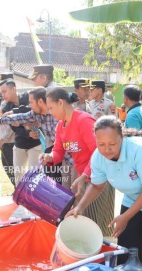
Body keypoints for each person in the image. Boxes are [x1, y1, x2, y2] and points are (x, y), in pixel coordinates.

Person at [66, 116, 142, 271]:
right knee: (127, 249)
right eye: (101, 144)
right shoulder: (98, 157)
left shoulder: (141, 150)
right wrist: (80, 207)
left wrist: (125, 217)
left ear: (122, 137)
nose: (106, 149)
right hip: (132, 198)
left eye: (112, 144)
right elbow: (97, 186)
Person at [39, 87, 115, 236]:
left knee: (97, 223)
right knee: (84, 220)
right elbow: (58, 151)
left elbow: (99, 151)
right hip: (83, 178)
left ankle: (103, 255)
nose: (50, 112)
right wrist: (49, 157)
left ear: (61, 102)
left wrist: (85, 175)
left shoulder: (83, 121)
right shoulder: (61, 125)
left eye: (51, 108)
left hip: (98, 177)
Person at [0, 86, 60, 184]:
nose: (30, 105)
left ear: (40, 102)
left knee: (66, 185)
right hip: (54, 153)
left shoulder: (57, 114)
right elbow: (21, 117)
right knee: (52, 183)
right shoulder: (36, 114)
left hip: (66, 154)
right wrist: (0, 121)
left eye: (31, 102)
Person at [0, 73, 16, 187]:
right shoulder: (4, 101)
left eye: (4, 90)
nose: (2, 93)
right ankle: (16, 190)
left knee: (12, 167)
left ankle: (19, 191)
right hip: (4, 140)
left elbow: (11, 125)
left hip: (10, 141)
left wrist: (3, 138)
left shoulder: (13, 103)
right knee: (7, 166)